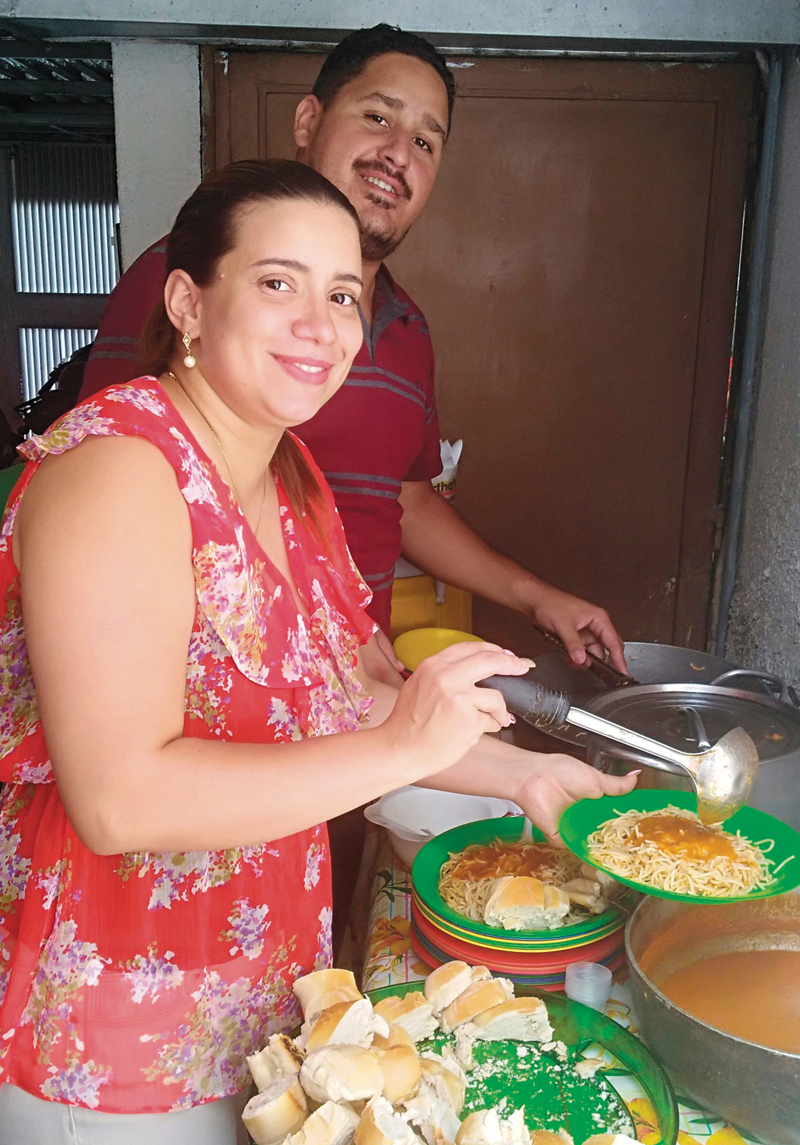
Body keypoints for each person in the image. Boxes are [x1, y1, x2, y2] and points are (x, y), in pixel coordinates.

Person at [0, 159, 633, 1145]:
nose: (320, 324)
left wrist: (529, 778)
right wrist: (399, 743)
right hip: (111, 1015)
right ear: (188, 301)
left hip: (251, 1000)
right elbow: (118, 797)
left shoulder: (290, 479)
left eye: (343, 294)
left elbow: (354, 701)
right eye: (279, 283)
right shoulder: (116, 469)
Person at [79, 24, 626, 679]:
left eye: (425, 141)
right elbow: (106, 484)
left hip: (352, 693)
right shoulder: (195, 282)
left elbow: (405, 501)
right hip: (204, 703)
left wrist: (536, 599)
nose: (399, 153)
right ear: (308, 120)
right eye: (377, 117)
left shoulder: (407, 331)